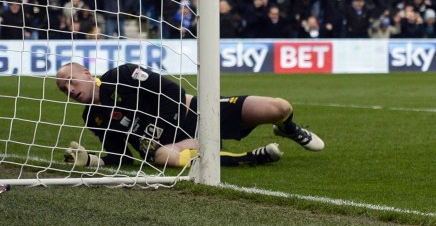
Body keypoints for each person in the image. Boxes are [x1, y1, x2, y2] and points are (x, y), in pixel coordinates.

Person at [55, 62, 323, 168]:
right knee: (163, 157)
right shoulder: (93, 118)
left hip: (198, 112)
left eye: (71, 80)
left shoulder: (122, 75)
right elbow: (121, 158)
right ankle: (250, 158)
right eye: (63, 88)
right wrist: (91, 160)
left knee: (279, 108)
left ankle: (288, 128)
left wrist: (160, 126)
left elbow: (172, 90)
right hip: (177, 145)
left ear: (88, 74)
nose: (69, 89)